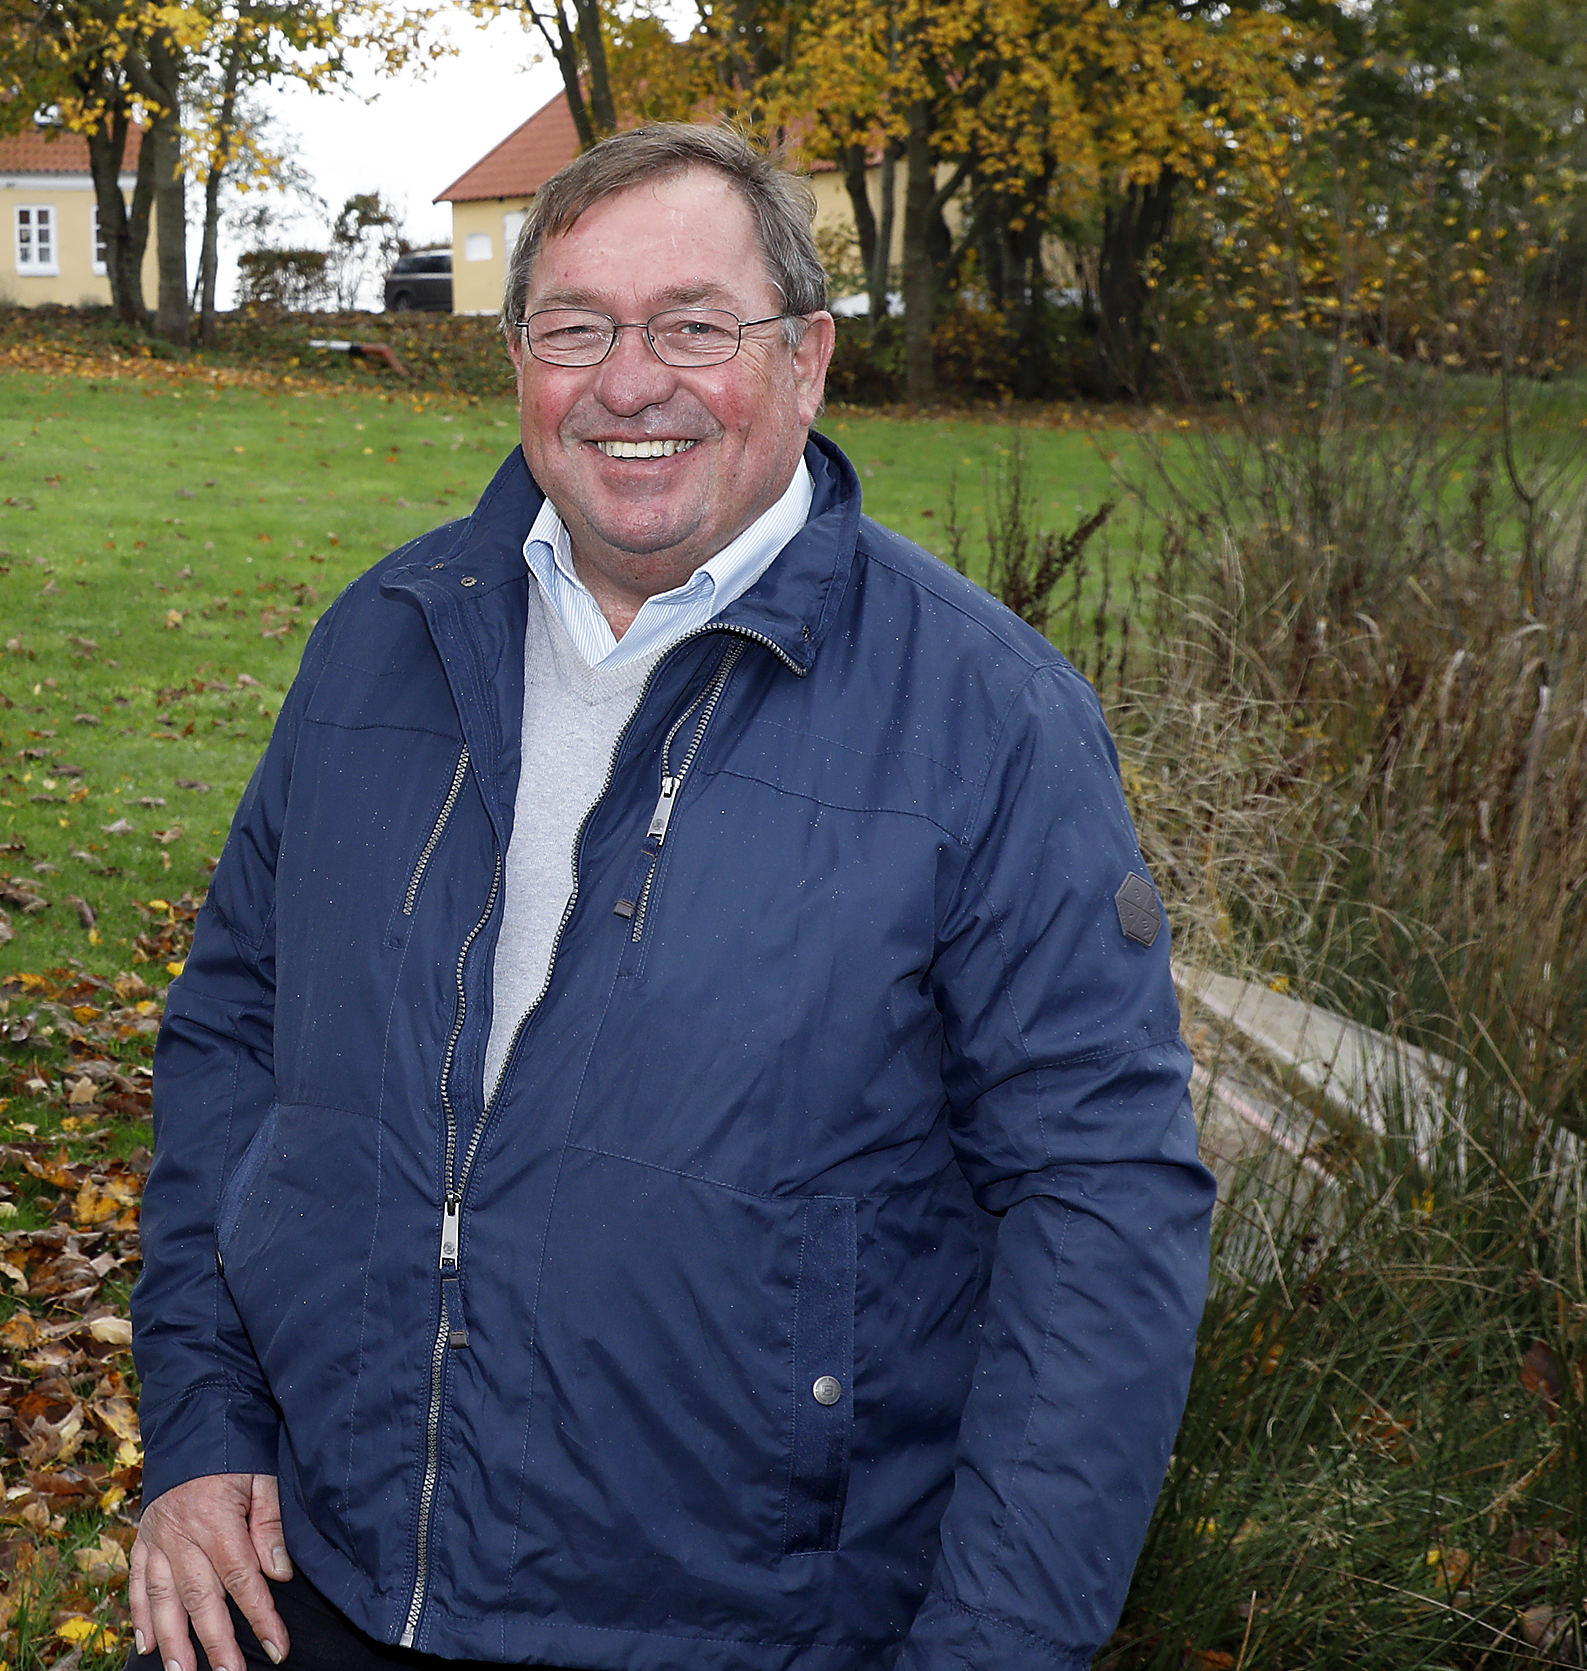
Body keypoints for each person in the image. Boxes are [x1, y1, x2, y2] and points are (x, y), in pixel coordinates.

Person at [127, 123, 1213, 1671]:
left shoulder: (983, 716)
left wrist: (992, 1646)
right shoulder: (384, 640)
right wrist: (200, 1421)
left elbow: (1100, 1207)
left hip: (739, 1622)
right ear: (516, 358)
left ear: (808, 358)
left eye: (694, 324)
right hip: (320, 1572)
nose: (628, 380)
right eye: (575, 327)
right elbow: (231, 1038)